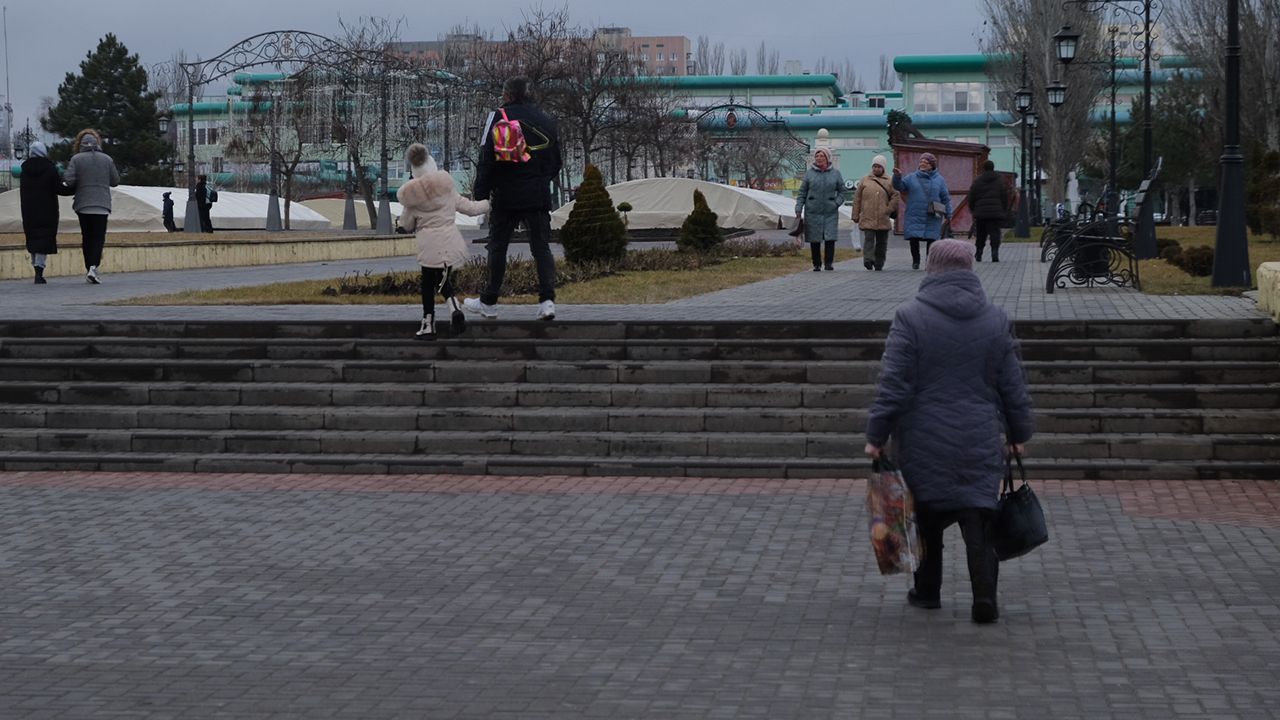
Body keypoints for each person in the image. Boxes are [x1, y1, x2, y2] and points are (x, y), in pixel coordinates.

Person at [863, 239, 1034, 624]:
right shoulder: (995, 319)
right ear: (971, 270)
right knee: (979, 518)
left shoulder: (910, 317)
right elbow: (1012, 384)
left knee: (926, 516)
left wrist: (876, 435)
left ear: (931, 268)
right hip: (980, 438)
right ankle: (984, 598)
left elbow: (893, 384)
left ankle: (927, 592)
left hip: (923, 439)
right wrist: (1019, 432)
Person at [464, 76, 562, 321]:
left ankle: (489, 301)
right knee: (541, 248)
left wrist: (481, 196)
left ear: (507, 95)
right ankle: (547, 301)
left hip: (505, 196)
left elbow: (486, 157)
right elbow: (556, 161)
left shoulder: (498, 117)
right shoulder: (547, 119)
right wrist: (540, 180)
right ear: (528, 94)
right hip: (537, 195)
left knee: (498, 247)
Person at [396, 143, 490, 340]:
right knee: (443, 280)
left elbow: (406, 223)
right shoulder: (448, 191)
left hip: (428, 245)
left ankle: (428, 326)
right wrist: (489, 203)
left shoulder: (413, 199)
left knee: (428, 285)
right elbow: (471, 208)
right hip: (450, 242)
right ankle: (455, 308)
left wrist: (401, 224)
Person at [62, 129, 120, 284]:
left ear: (80, 144)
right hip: (102, 205)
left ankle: (90, 267)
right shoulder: (107, 160)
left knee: (87, 237)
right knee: (98, 238)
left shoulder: (76, 159)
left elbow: (69, 180)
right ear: (97, 143)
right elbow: (115, 180)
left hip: (83, 205)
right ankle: (93, 267)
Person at [19, 141, 73, 284]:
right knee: (43, 239)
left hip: (29, 210)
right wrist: (75, 188)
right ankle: (39, 271)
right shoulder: (50, 168)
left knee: (32, 238)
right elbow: (59, 189)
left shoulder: (25, 170)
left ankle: (36, 269)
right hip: (47, 209)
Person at [892, 152, 952, 270]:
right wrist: (897, 176)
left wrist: (949, 213)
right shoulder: (911, 177)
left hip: (933, 214)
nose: (922, 164)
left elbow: (945, 197)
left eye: (926, 162)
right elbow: (899, 186)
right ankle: (916, 260)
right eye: (921, 162)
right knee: (914, 238)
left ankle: (928, 261)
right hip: (915, 213)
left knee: (931, 239)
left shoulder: (939, 180)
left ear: (932, 165)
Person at [794, 147, 846, 272]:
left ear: (827, 158)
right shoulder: (809, 173)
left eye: (822, 156)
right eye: (817, 156)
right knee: (814, 238)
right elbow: (802, 193)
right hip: (813, 211)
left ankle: (829, 263)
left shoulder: (836, 173)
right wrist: (798, 208)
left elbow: (842, 191)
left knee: (830, 238)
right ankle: (816, 264)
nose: (819, 158)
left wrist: (836, 203)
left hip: (830, 211)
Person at [851, 154, 898, 271]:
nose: (876, 169)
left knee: (882, 242)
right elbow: (857, 198)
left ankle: (879, 262)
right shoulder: (865, 180)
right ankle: (868, 260)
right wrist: (855, 215)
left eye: (879, 167)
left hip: (883, 217)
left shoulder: (889, 181)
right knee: (869, 240)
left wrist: (888, 209)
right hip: (868, 216)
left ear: (883, 168)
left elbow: (896, 196)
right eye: (874, 166)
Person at [967, 160, 1009, 262]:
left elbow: (971, 197)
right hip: (995, 213)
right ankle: (994, 252)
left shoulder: (977, 181)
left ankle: (979, 252)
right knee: (995, 233)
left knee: (981, 233)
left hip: (981, 213)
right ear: (993, 168)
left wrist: (973, 209)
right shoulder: (999, 180)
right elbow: (1004, 197)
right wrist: (1002, 209)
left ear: (984, 168)